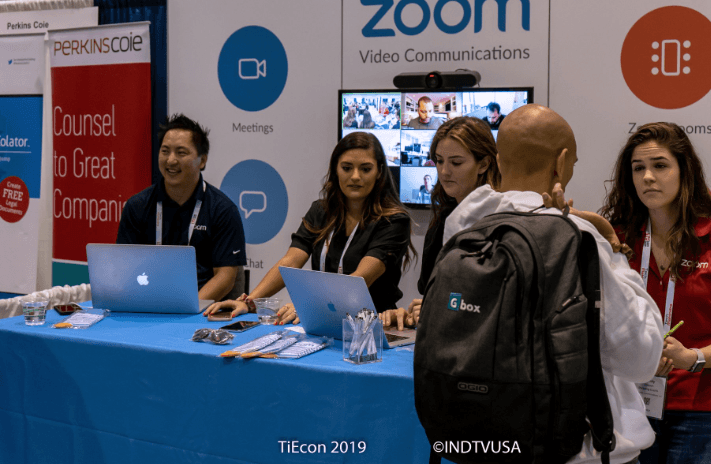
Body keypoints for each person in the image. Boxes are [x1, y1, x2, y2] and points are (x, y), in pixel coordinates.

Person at [442, 104, 663, 464]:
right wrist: (614, 250)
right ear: (560, 163)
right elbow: (640, 355)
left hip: (483, 438)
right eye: (572, 163)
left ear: (497, 160)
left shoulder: (462, 227)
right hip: (575, 447)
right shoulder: (578, 237)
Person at [600, 122, 711, 464]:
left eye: (660, 165)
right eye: (638, 168)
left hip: (705, 413)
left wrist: (692, 358)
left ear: (684, 171)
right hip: (630, 405)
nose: (647, 177)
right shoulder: (617, 239)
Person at [204, 131, 415, 323]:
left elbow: (359, 280)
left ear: (379, 172)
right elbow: (290, 262)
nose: (356, 176)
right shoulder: (321, 211)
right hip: (323, 323)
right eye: (347, 168)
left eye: (366, 169)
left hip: (370, 327)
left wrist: (308, 307)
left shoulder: (394, 221)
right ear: (335, 170)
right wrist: (249, 302)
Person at [379, 117, 500, 329]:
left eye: (456, 162)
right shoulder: (443, 217)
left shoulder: (501, 217)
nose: (444, 172)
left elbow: (492, 300)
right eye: (439, 161)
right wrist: (411, 315)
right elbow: (430, 293)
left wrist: (437, 306)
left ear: (484, 164)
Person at [117, 114, 246, 302]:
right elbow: (123, 268)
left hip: (201, 314)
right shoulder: (137, 206)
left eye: (181, 152)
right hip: (147, 306)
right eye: (165, 151)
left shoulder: (223, 210)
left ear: (202, 161)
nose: (171, 160)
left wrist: (188, 310)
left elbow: (225, 278)